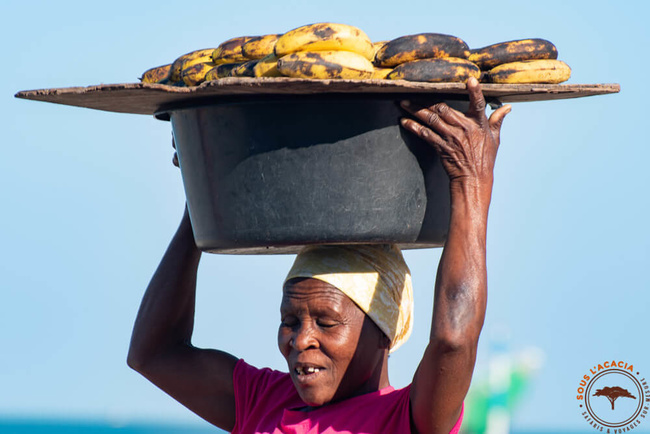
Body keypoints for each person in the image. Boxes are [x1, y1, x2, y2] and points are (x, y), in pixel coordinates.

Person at [127, 77, 511, 434]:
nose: (300, 339)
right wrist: (200, 205)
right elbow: (154, 354)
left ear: (384, 332)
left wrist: (471, 183)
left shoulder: (407, 418)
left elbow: (453, 341)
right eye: (290, 320)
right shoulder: (264, 401)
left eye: (326, 323)